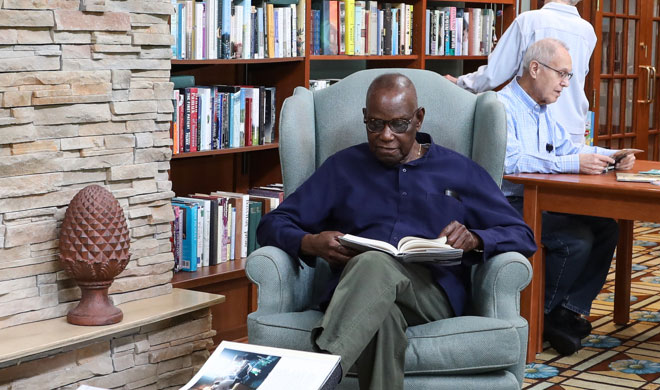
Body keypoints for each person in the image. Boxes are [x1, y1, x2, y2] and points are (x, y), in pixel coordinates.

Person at [256, 73, 537, 390]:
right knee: (381, 316)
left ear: (418, 119)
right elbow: (271, 225)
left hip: (429, 297)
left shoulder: (459, 170)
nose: (385, 135)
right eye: (375, 124)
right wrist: (310, 243)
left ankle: (315, 374)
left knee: (374, 263)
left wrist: (475, 239)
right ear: (365, 118)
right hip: (356, 296)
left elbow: (522, 235)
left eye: (399, 125)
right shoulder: (343, 168)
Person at [497, 38, 640, 356]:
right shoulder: (501, 106)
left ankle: (567, 311)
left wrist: (612, 156)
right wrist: (574, 164)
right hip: (507, 205)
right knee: (576, 240)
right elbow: (512, 163)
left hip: (540, 201)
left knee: (607, 228)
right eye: (561, 73)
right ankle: (542, 315)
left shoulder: (542, 111)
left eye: (568, 76)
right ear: (535, 68)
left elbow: (568, 149)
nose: (565, 83)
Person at [445, 0, 596, 145]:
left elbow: (494, 74)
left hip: (532, 125)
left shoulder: (528, 21)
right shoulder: (588, 31)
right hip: (573, 126)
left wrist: (459, 83)